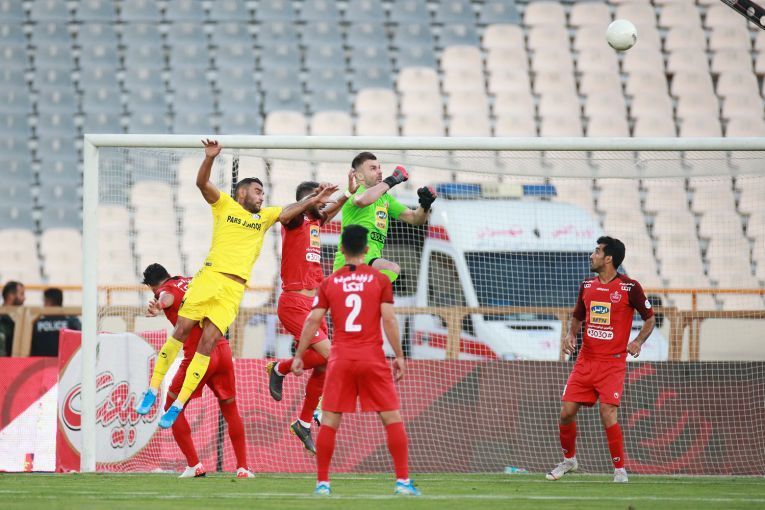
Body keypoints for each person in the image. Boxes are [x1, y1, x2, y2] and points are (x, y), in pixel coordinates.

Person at [136, 139, 337, 429]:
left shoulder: (265, 216)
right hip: (210, 278)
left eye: (263, 192)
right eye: (257, 191)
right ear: (242, 192)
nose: (261, 197)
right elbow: (202, 183)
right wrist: (209, 158)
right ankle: (152, 389)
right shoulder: (225, 205)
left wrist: (315, 199)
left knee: (207, 345)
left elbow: (287, 213)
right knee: (181, 330)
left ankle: (178, 405)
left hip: (233, 290)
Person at [292, 224, 420, 496]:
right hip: (372, 356)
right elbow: (389, 319)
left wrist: (300, 354)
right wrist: (399, 355)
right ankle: (402, 482)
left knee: (330, 420)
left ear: (341, 249)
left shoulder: (330, 282)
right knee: (391, 417)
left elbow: (313, 320)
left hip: (341, 357)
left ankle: (323, 484)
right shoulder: (379, 280)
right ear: (366, 249)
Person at [546, 236, 656, 484]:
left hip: (612, 363)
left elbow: (650, 318)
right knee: (566, 413)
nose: (592, 255)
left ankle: (619, 470)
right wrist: (570, 334)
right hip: (585, 360)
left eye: (597, 251)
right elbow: (577, 316)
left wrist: (638, 341)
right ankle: (569, 460)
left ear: (609, 259)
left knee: (608, 414)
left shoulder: (630, 287)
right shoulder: (587, 286)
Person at [266, 174, 358, 454]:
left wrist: (347, 194)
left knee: (323, 365)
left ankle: (303, 422)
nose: (324, 206)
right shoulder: (295, 220)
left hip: (315, 305)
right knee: (334, 356)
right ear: (308, 202)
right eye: (319, 202)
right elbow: (284, 215)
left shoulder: (315, 222)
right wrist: (314, 199)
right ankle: (280, 369)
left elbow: (330, 210)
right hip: (294, 302)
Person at [142, 263, 253, 478]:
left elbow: (166, 297)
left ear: (152, 286)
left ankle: (194, 465)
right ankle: (243, 468)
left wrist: (159, 305)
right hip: (222, 351)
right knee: (230, 409)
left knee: (171, 407)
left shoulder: (165, 291)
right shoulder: (191, 281)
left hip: (198, 357)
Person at [332, 152, 437, 283]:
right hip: (349, 263)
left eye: (379, 167)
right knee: (391, 268)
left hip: (369, 262)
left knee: (389, 272)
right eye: (373, 168)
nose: (380, 171)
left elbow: (415, 219)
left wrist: (425, 205)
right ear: (359, 175)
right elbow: (363, 200)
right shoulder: (354, 192)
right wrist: (391, 180)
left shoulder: (385, 198)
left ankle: (372, 292)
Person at [30, 287, 81, 357]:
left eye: (44, 301)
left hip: (40, 362)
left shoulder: (36, 322)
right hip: (66, 362)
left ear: (48, 301)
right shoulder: (72, 321)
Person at [0, 281, 25, 356]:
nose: (24, 298)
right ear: (11, 295)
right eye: (22, 294)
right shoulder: (3, 318)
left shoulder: (21, 317)